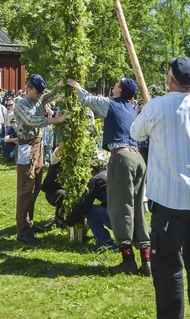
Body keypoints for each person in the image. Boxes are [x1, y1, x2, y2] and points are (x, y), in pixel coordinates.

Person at [130, 55, 190, 319]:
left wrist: (141, 113)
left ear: (170, 79)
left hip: (169, 202)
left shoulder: (156, 106)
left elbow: (135, 133)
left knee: (168, 267)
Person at [68, 76, 151, 276]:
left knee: (121, 207)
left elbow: (88, 99)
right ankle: (147, 260)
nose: (114, 85)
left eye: (117, 84)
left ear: (120, 90)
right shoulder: (131, 110)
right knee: (138, 206)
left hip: (122, 158)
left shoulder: (111, 104)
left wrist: (76, 86)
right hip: (138, 158)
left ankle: (128, 260)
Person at [13, 74, 66, 245]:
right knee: (25, 187)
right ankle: (22, 231)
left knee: (36, 185)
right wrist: (54, 120)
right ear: (29, 88)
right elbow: (31, 120)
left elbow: (50, 95)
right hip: (25, 146)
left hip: (38, 144)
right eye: (37, 92)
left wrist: (62, 83)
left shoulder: (39, 98)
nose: (40, 95)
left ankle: (29, 223)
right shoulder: (20, 104)